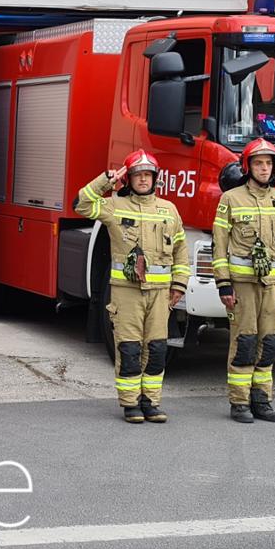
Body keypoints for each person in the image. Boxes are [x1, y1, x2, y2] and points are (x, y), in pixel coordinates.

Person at [75, 150, 189, 424]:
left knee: (157, 349)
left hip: (160, 295)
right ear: (129, 179)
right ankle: (130, 404)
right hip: (126, 293)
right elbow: (81, 204)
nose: (143, 180)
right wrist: (106, 180)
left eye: (148, 175)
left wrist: (179, 285)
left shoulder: (169, 209)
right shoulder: (114, 206)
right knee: (129, 348)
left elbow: (181, 250)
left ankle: (151, 402)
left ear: (155, 178)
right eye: (138, 175)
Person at [213, 138, 275, 424]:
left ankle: (262, 401)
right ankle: (239, 403)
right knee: (244, 342)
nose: (264, 168)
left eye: (268, 163)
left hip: (272, 286)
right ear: (247, 167)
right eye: (258, 163)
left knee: (269, 342)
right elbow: (219, 245)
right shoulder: (230, 199)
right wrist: (223, 283)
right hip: (242, 286)